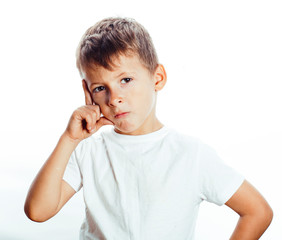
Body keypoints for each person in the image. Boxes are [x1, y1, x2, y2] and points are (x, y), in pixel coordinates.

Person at [24, 17, 273, 239]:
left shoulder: (191, 154)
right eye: (100, 88)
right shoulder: (87, 150)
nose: (114, 98)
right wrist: (69, 139)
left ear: (158, 78)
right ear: (88, 92)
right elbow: (38, 211)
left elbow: (257, 212)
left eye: (126, 80)